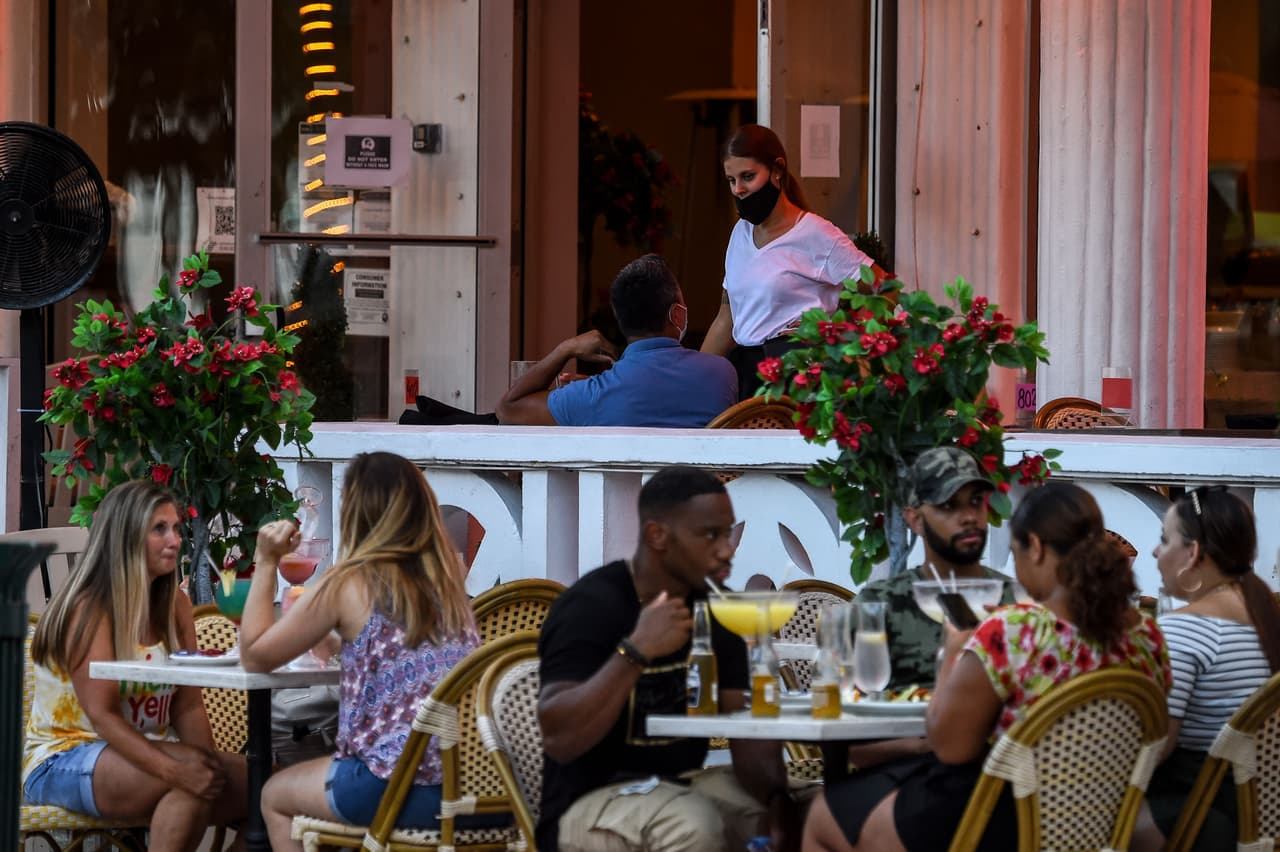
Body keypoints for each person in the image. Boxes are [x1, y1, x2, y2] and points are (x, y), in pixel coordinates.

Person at [802, 482, 1171, 852]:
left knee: (822, 814)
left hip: (999, 820)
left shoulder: (1013, 632)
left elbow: (949, 747)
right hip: (1097, 820)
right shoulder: (1147, 638)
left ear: (1037, 548)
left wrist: (953, 650)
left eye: (1016, 553)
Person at [239, 451, 496, 850]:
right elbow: (401, 649)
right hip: (475, 788)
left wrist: (266, 561)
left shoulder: (350, 582)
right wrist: (343, 642)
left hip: (394, 787)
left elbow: (255, 655)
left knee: (274, 796)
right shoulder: (447, 586)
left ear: (354, 512)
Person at [537, 465, 800, 852]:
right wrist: (635, 651)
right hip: (589, 802)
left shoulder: (714, 606)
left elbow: (745, 728)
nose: (727, 549)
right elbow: (559, 737)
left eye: (727, 534)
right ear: (657, 535)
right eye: (710, 535)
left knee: (817, 809)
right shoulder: (591, 607)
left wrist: (777, 800)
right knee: (693, 824)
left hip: (684, 781)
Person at [23, 480, 247, 852]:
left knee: (268, 788)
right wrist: (178, 769)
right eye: (159, 529)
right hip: (65, 756)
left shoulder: (174, 605)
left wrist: (207, 765)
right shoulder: (91, 607)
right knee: (190, 780)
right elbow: (102, 716)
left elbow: (188, 705)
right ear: (125, 536)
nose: (175, 540)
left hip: (142, 751)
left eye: (176, 528)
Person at [1132, 486, 1280, 851]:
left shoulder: (1186, 628)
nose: (1154, 551)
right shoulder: (1265, 615)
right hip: (1259, 810)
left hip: (1199, 816)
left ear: (1192, 552)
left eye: (1164, 540)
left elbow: (1154, 748)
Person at [701, 124, 880, 400]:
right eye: (731, 180)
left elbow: (885, 289)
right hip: (745, 378)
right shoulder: (740, 232)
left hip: (797, 376)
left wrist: (841, 332)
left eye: (748, 176)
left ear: (777, 170)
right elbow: (727, 317)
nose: (738, 189)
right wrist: (696, 376)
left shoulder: (817, 234)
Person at [497, 253, 737, 426]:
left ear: (619, 317)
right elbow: (663, 395)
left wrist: (565, 348)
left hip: (628, 498)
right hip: (698, 494)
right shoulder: (721, 373)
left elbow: (508, 409)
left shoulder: (593, 396)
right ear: (676, 314)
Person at [857, 446, 1016, 691]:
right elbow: (839, 701)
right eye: (949, 506)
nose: (969, 517)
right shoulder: (879, 605)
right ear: (915, 520)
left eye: (975, 502)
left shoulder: (1016, 602)